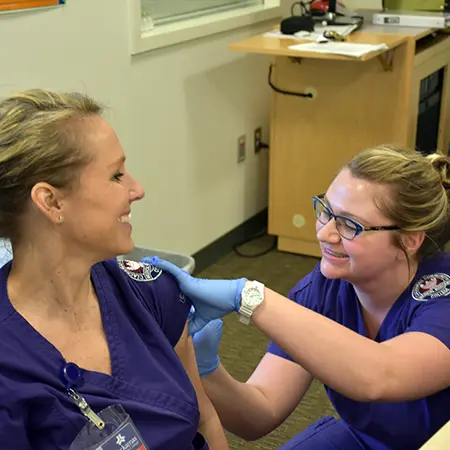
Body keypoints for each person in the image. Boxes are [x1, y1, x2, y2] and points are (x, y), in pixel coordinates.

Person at [148, 145, 450, 450]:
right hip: (367, 440)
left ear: (410, 240)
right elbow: (260, 414)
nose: (324, 233)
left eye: (349, 224)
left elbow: (379, 375)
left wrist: (247, 296)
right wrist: (207, 369)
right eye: (327, 211)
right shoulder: (320, 292)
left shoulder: (443, 297)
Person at [0, 89, 228, 450]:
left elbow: (206, 419)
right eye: (117, 175)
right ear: (51, 201)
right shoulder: (9, 363)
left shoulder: (151, 292)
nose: (137, 189)